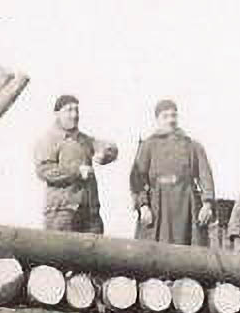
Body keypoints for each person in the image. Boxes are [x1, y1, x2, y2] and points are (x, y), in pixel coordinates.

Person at [129, 100, 215, 246]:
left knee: (188, 255)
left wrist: (207, 204)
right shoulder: (148, 145)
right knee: (152, 254)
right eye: (165, 116)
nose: (170, 120)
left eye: (173, 116)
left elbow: (205, 175)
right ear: (157, 119)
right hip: (157, 206)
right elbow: (137, 179)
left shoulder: (192, 146)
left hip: (186, 206)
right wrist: (143, 206)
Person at [34, 94, 118, 233]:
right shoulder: (49, 139)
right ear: (57, 113)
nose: (74, 115)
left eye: (76, 110)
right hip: (62, 212)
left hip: (90, 211)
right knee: (59, 253)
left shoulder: (84, 140)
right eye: (69, 110)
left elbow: (111, 148)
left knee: (94, 252)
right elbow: (44, 170)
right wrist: (77, 172)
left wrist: (104, 154)